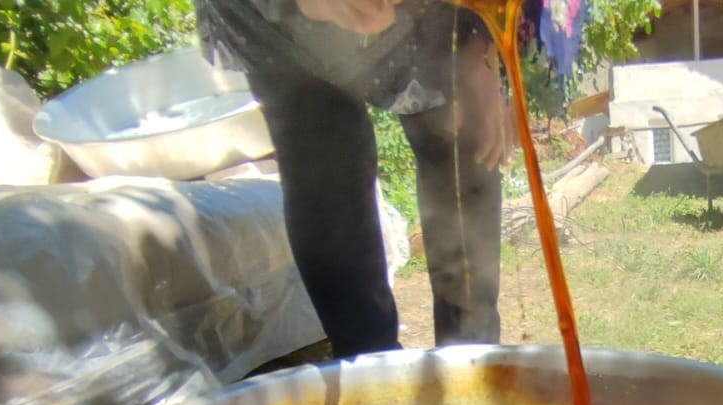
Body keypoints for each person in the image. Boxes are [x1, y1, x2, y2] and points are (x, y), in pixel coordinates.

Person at [194, 0, 515, 358]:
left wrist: (478, 48)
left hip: (434, 17)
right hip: (278, 32)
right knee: (326, 172)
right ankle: (372, 374)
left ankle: (473, 362)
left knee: (462, 143)